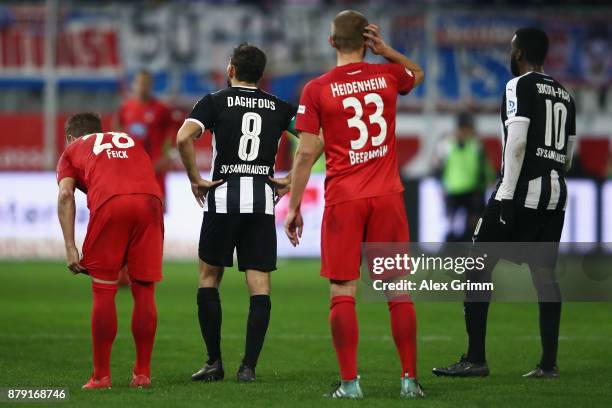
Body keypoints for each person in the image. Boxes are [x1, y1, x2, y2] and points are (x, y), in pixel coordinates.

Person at [286, 10, 425, 399]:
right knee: (398, 290)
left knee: (343, 291)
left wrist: (294, 205)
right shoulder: (388, 76)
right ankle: (409, 381)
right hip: (387, 197)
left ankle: (350, 384)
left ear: (331, 42)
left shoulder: (317, 89)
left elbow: (305, 153)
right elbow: (418, 73)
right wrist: (387, 51)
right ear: (366, 41)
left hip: (345, 199)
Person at [432, 27, 576, 379]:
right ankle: (548, 364)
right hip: (556, 192)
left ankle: (476, 358)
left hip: (521, 189)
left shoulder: (518, 86)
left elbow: (517, 142)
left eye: (512, 48)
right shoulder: (565, 94)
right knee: (545, 277)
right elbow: (568, 155)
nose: (510, 54)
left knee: (477, 266)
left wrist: (507, 195)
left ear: (519, 53)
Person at [176, 43, 296, 383]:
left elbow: (183, 138)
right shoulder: (280, 106)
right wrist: (293, 179)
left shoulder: (214, 101)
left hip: (223, 200)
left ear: (231, 70)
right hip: (261, 204)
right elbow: (316, 139)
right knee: (259, 285)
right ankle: (248, 368)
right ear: (262, 75)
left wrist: (195, 179)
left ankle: (214, 362)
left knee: (208, 278)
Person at [56, 113, 164, 389]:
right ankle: (142, 374)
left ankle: (101, 377)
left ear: (70, 137)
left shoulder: (71, 150)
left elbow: (66, 195)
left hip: (111, 204)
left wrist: (70, 247)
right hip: (151, 203)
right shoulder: (127, 139)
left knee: (104, 289)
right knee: (144, 289)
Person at [433, 113, 493, 242]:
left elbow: (484, 166)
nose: (467, 132)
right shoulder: (446, 144)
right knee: (451, 224)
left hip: (473, 190)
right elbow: (437, 166)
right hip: (453, 190)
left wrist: (488, 180)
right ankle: (450, 252)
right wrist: (441, 185)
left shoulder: (476, 145)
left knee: (473, 224)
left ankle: (468, 251)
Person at [117, 69, 175, 203]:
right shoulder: (125, 108)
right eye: (139, 83)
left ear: (151, 85)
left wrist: (168, 156)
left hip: (155, 169)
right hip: (132, 169)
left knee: (158, 210)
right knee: (131, 208)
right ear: (134, 84)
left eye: (146, 83)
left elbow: (173, 134)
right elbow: (117, 133)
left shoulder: (161, 109)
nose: (142, 87)